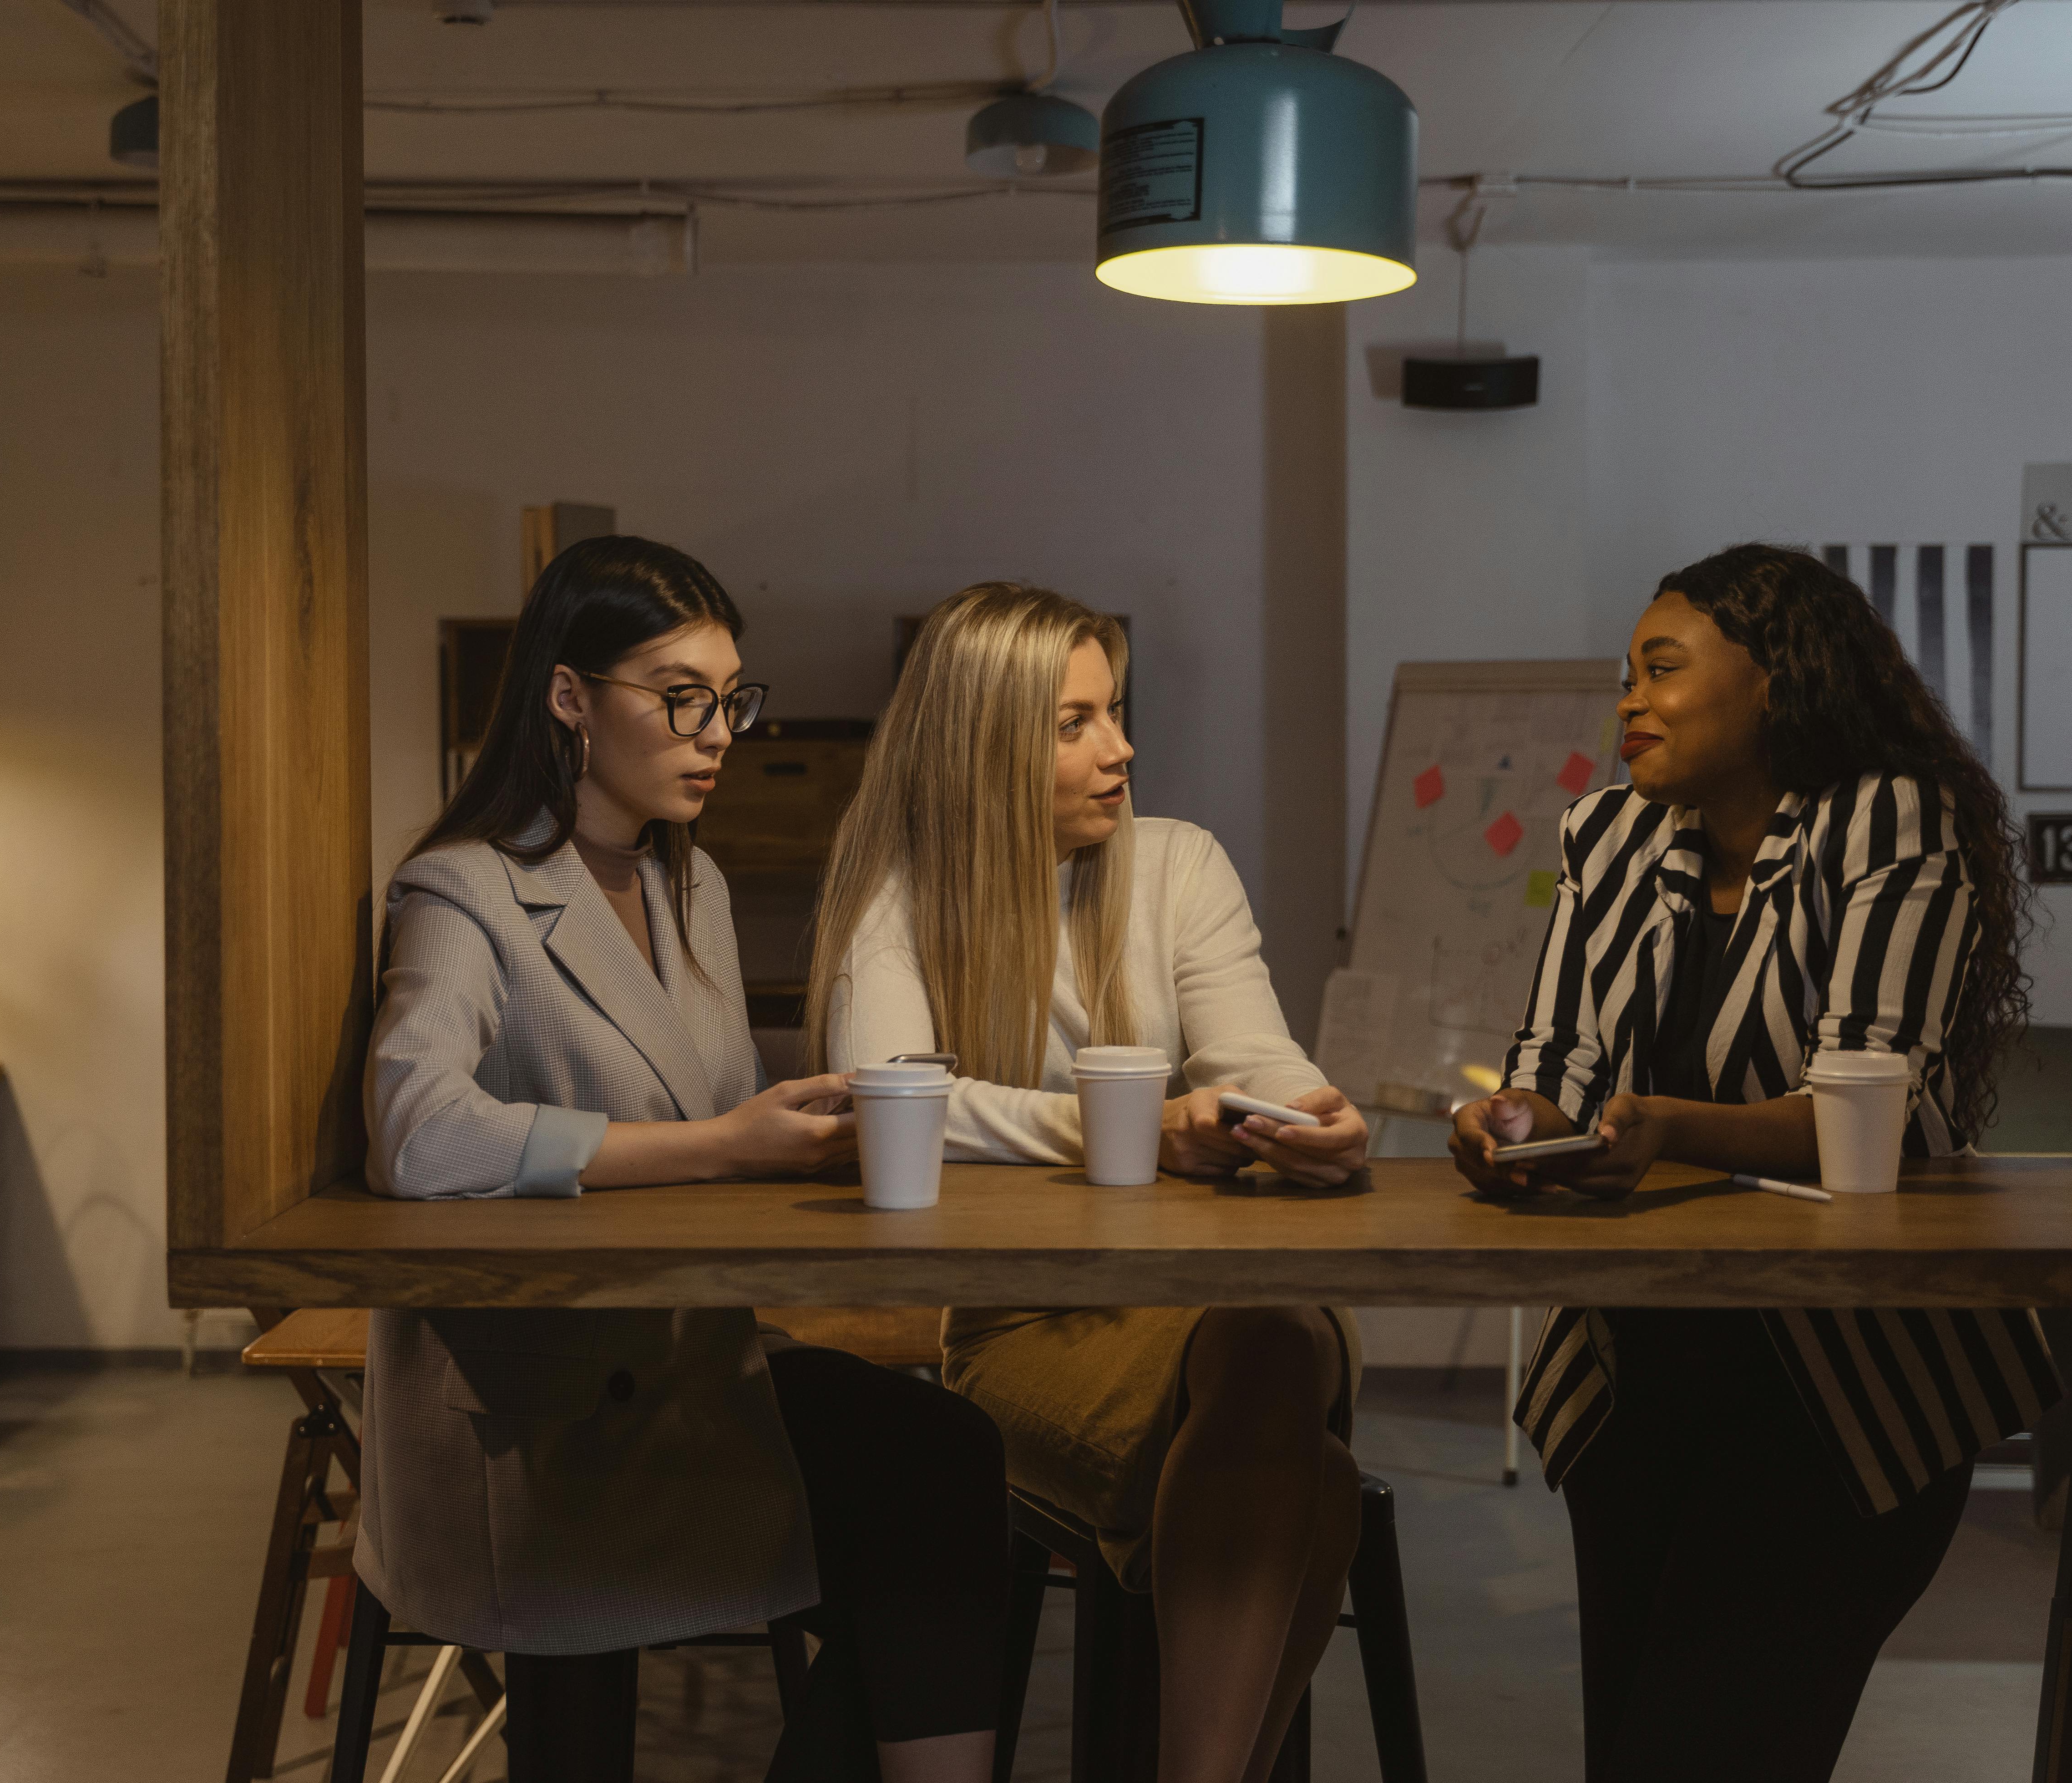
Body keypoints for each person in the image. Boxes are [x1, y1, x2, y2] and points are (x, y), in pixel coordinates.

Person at [361, 536, 1008, 1783]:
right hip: (541, 1415)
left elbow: (695, 1126)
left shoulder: (685, 883)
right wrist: (723, 1143)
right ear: (567, 697)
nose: (718, 733)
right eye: (680, 698)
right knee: (916, 1491)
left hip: (683, 1369)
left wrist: (790, 1131)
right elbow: (416, 1133)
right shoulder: (461, 891)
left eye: (730, 699)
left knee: (942, 1452)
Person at [1448, 543, 2064, 1783]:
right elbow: (1555, 1065)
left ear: (1774, 681)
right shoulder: (1607, 837)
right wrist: (1506, 1123)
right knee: (1635, 1751)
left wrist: (1666, 1126)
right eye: (1624, 673)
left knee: (1706, 1751)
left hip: (1839, 1392)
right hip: (1640, 1378)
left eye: (1660, 668)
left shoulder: (1890, 820)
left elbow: (1868, 1108)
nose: (1627, 697)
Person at [807, 581, 1372, 1783]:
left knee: (1275, 1336)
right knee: (1302, 1437)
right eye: (1074, 723)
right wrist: (1127, 1131)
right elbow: (895, 1098)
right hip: (1022, 1329)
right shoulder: (897, 891)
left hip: (1210, 1302)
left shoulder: (1176, 866)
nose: (1120, 750)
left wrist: (1313, 1115)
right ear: (983, 744)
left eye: (1113, 713)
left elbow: (1257, 1058)